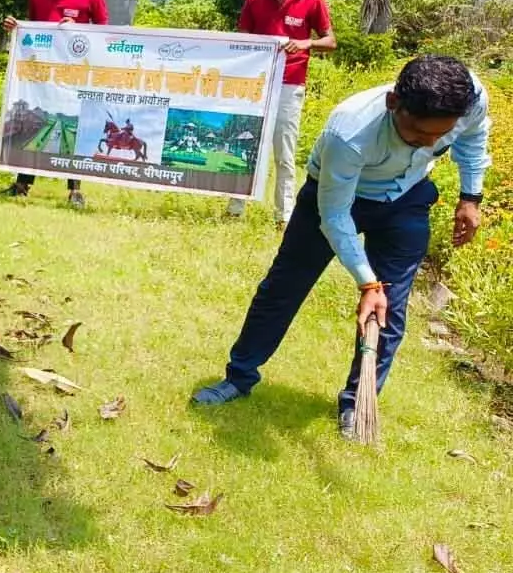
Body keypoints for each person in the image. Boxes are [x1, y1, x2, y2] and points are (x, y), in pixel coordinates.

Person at [193, 56, 489, 438]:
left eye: (439, 135)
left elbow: (474, 136)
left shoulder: (469, 97)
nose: (430, 144)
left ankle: (357, 403)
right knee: (284, 288)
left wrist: (471, 196)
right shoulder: (349, 132)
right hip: (333, 196)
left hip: (406, 196)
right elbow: (334, 217)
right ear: (393, 104)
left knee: (389, 310)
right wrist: (367, 282)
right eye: (417, 135)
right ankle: (239, 377)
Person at [228, 0, 336, 227]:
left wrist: (304, 44)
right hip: (257, 84)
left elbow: (330, 41)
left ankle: (284, 215)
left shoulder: (312, 0)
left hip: (290, 84)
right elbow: (242, 40)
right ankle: (235, 208)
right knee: (246, 146)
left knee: (284, 153)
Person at [3, 0, 108, 208]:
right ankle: (22, 183)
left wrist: (78, 29)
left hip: (75, 75)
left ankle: (75, 190)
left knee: (75, 127)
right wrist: (16, 27)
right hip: (42, 76)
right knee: (39, 121)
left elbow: (104, 30)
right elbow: (32, 28)